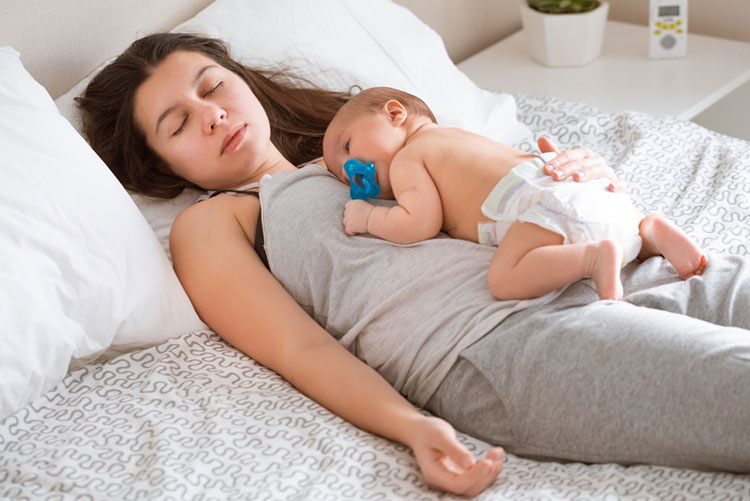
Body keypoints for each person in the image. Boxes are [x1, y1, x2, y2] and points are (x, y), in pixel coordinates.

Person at [76, 32, 750, 497]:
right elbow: (297, 345)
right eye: (176, 121)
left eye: (211, 85)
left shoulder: (364, 140)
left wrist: (584, 175)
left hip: (602, 261)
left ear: (242, 80)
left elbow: (493, 188)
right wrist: (413, 425)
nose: (212, 112)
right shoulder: (216, 222)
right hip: (499, 344)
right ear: (160, 167)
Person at [322, 87, 708, 301]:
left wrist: (367, 217)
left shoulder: (409, 159)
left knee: (504, 280)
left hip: (534, 204)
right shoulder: (457, 137)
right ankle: (650, 230)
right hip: (580, 189)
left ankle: (592, 259)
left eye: (348, 146)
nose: (347, 170)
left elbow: (418, 223)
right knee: (614, 224)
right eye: (340, 175)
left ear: (394, 113)